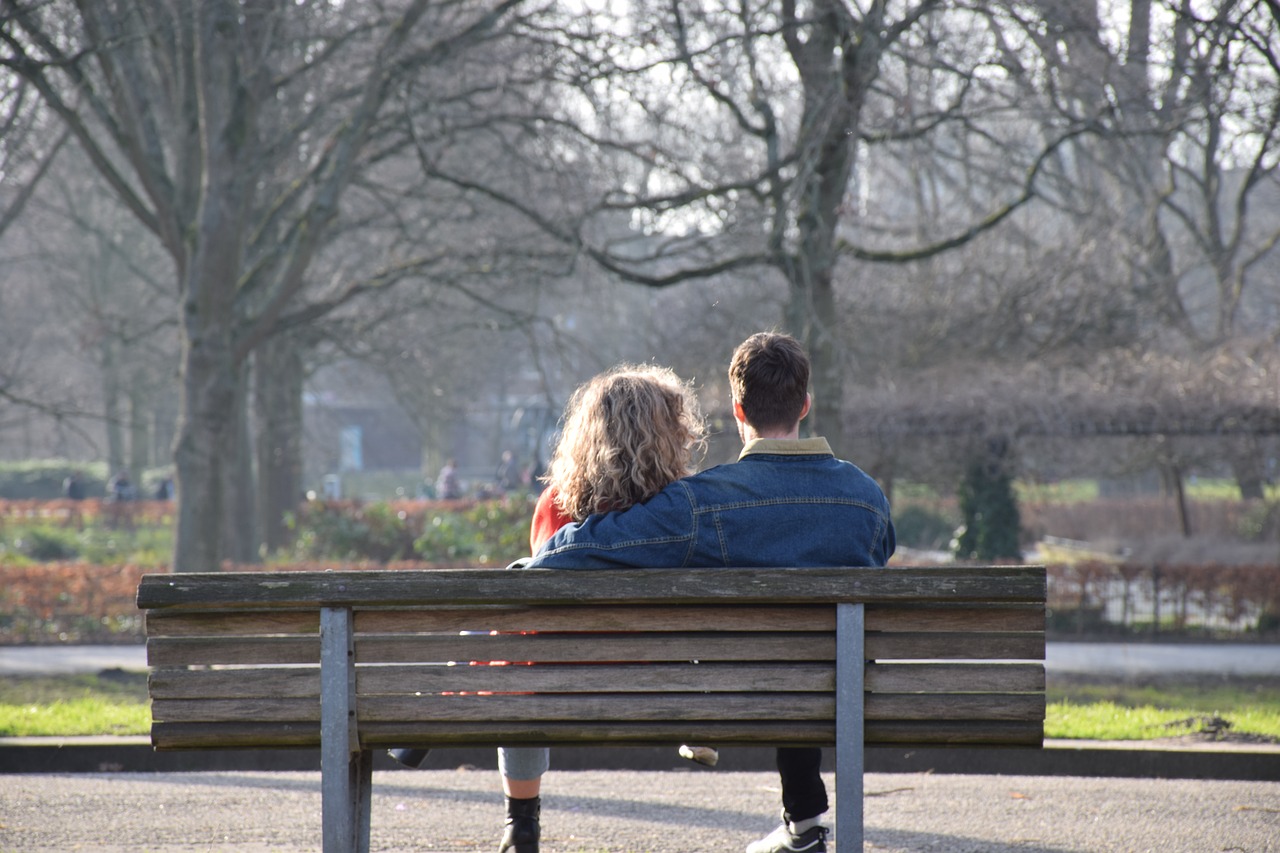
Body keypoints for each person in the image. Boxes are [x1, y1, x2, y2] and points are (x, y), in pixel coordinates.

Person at [526, 332, 895, 853]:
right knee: (816, 641)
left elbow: (570, 554)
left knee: (781, 649)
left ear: (737, 409)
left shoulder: (700, 503)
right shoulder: (868, 499)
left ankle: (804, 826)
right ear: (805, 406)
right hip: (846, 690)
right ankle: (804, 824)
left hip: (742, 690)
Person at [498, 363, 707, 853]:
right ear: (670, 434)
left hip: (554, 684)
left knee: (516, 658)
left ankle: (521, 820)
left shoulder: (555, 505)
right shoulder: (685, 508)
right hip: (658, 683)